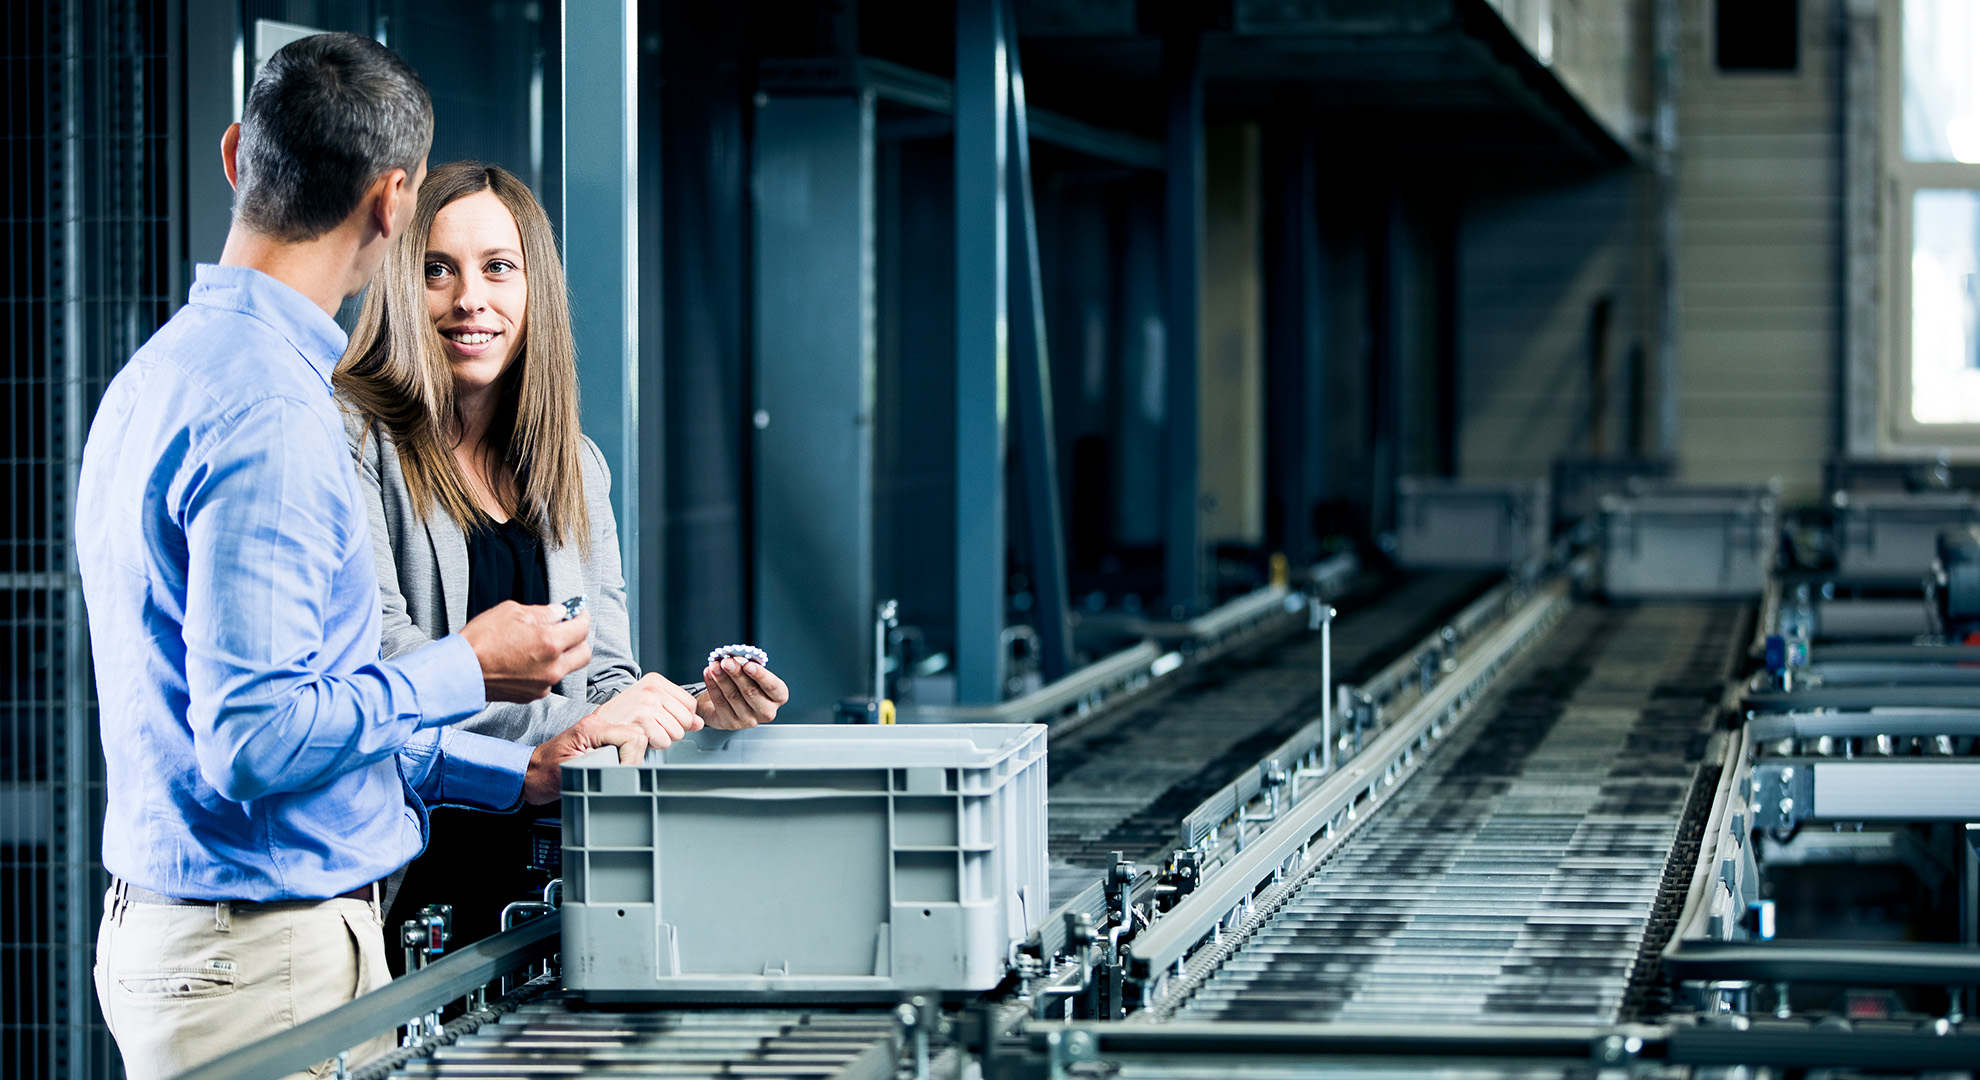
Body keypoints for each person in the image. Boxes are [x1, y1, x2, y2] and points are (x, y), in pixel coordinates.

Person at [76, 35, 657, 1080]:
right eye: (438, 261)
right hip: (258, 952)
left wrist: (518, 771)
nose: (467, 295)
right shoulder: (284, 417)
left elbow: (323, 710)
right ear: (394, 205)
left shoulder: (164, 374)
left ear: (235, 156)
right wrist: (467, 667)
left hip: (213, 938)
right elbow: (256, 738)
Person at [333, 160, 790, 950]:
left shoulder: (574, 465)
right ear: (402, 284)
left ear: (532, 288)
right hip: (407, 891)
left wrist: (688, 708)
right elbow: (389, 663)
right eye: (438, 270)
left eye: (497, 268)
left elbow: (605, 677)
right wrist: (599, 719)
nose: (469, 298)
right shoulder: (354, 441)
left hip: (556, 889)